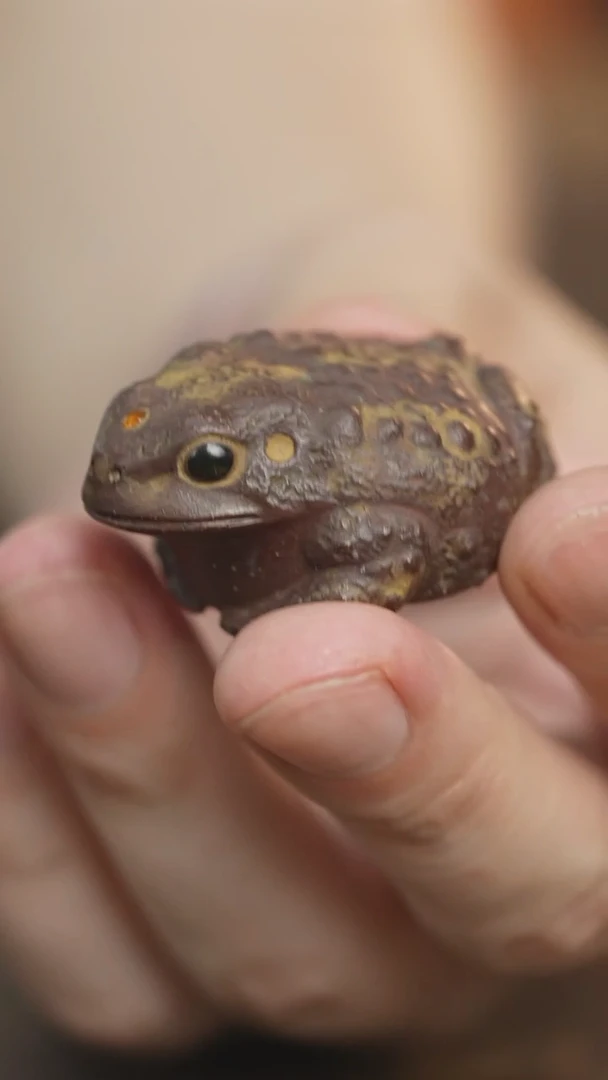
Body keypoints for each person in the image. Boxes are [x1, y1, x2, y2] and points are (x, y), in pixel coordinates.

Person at [1, 0, 608, 1052]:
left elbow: (396, 540)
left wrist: (308, 590)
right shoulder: (199, 412)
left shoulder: (343, 504)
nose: (145, 480)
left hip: (451, 478)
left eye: (205, 470)